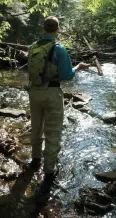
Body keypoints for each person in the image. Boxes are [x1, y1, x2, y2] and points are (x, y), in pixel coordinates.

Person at [26, 16, 90, 182]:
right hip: (52, 92)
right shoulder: (59, 49)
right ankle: (49, 170)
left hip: (34, 92)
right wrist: (79, 67)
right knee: (53, 131)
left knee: (36, 126)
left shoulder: (33, 47)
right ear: (58, 29)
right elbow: (67, 76)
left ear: (43, 28)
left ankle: (35, 160)